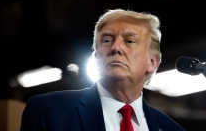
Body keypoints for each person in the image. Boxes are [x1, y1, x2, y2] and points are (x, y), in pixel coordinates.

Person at [20, 9, 184, 131]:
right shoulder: (49, 111)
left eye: (130, 41)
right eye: (107, 40)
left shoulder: (171, 129)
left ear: (152, 62)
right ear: (96, 57)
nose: (116, 47)